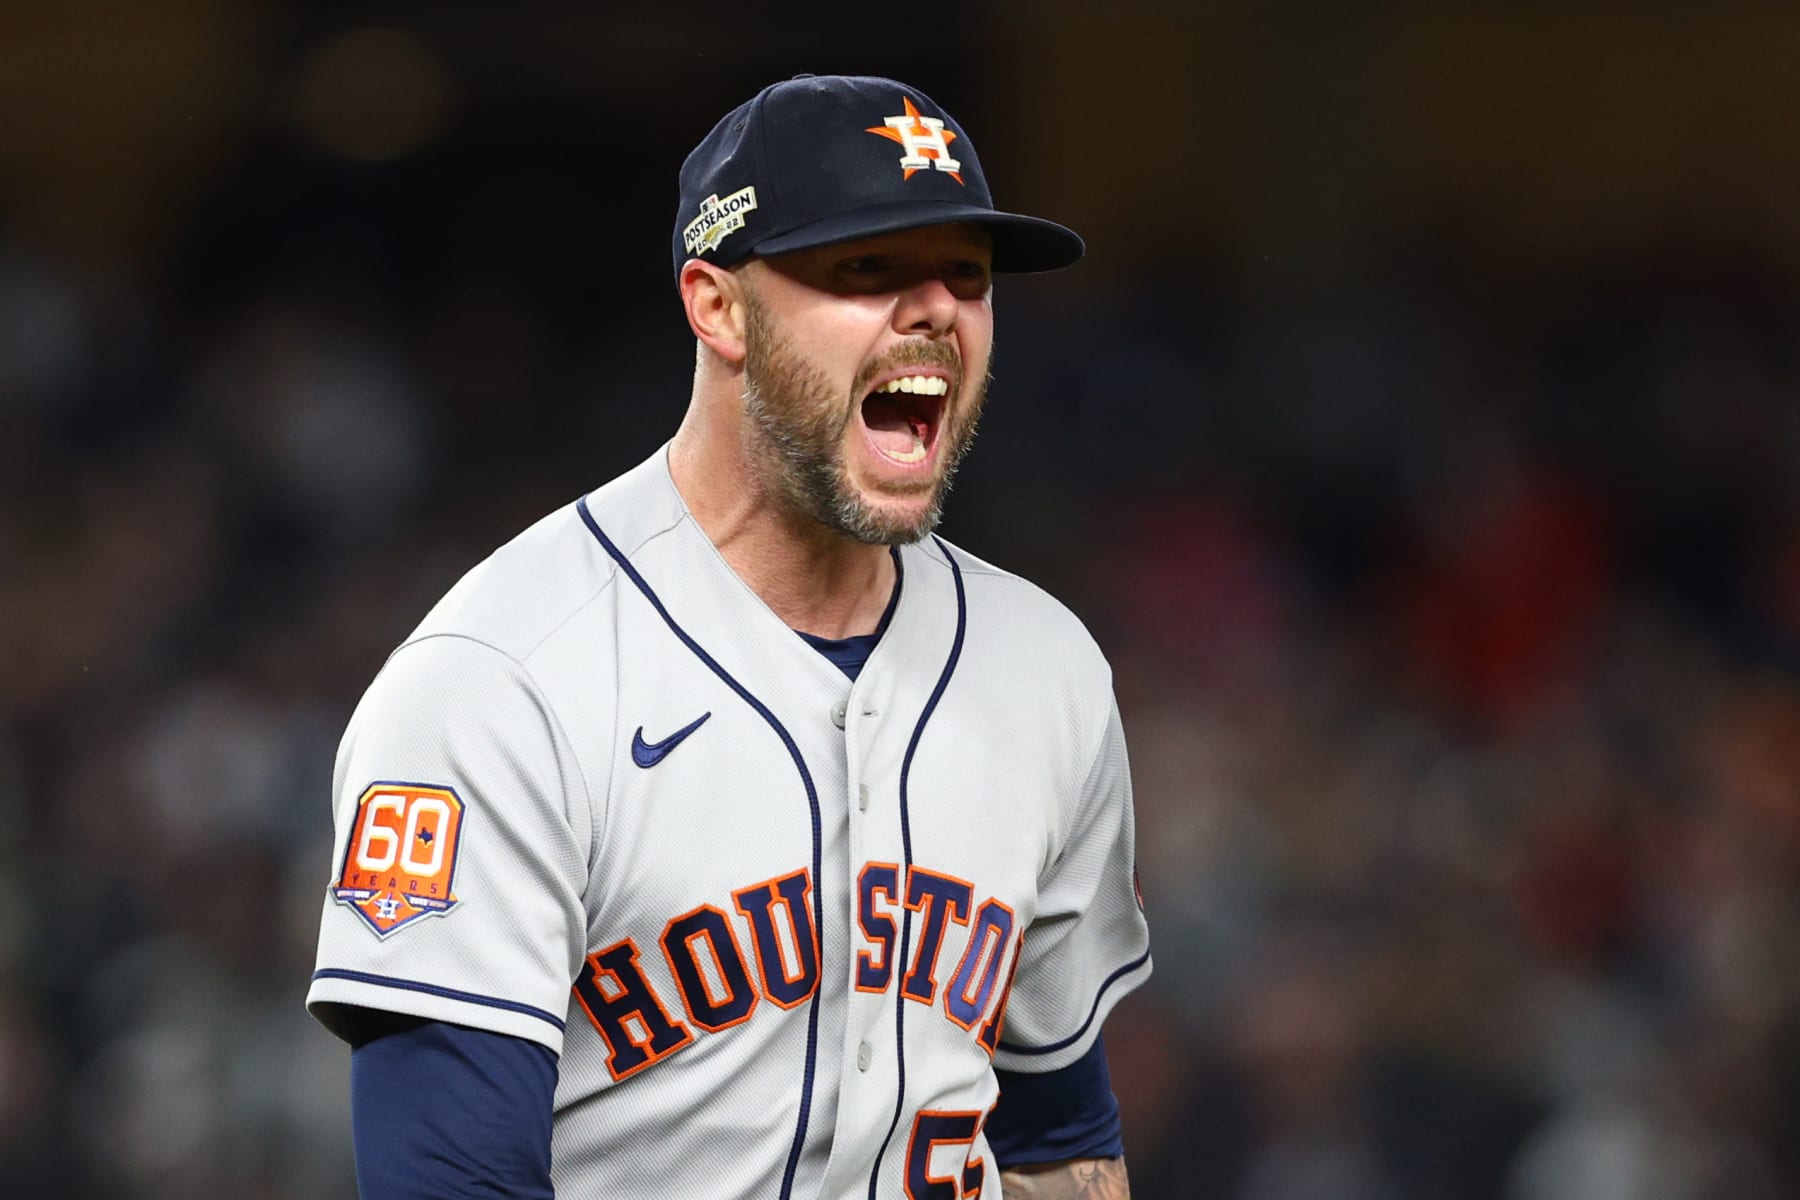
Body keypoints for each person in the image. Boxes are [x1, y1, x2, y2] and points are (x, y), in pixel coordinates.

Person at [306, 73, 1152, 1199]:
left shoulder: (1045, 669)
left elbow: (1062, 1140)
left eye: (968, 275)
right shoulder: (504, 683)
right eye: (868, 270)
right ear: (718, 306)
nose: (937, 311)